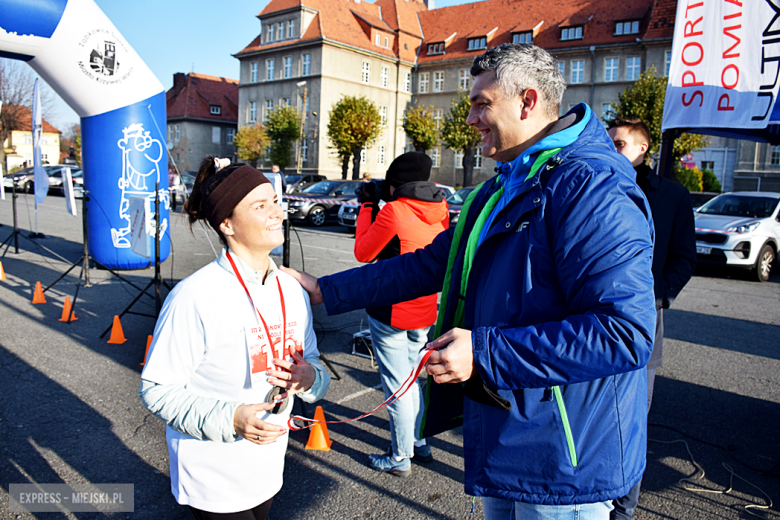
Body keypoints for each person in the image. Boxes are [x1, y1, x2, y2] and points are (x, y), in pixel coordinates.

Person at [281, 43, 655, 520]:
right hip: (506, 436)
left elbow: (625, 333)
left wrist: (484, 352)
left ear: (527, 101)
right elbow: (427, 265)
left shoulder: (591, 188)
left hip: (565, 463)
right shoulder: (501, 187)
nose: (471, 118)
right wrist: (326, 289)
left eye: (483, 103)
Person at [139, 157, 330, 520]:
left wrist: (309, 379)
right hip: (213, 468)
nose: (277, 213)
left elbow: (315, 366)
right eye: (260, 206)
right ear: (227, 223)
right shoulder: (194, 295)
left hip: (269, 463)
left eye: (275, 200)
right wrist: (232, 418)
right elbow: (157, 390)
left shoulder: (292, 289)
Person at [607, 118, 697, 520]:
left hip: (645, 316)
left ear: (642, 149)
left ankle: (623, 507)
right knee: (593, 409)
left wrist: (658, 297)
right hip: (592, 313)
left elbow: (684, 258)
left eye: (620, 143)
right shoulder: (596, 185)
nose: (612, 149)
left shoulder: (672, 196)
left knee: (633, 416)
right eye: (609, 142)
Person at [354, 152, 449, 476]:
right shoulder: (441, 208)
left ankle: (399, 457)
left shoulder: (393, 209)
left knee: (397, 387)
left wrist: (367, 206)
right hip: (424, 308)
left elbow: (364, 252)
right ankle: (419, 442)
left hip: (391, 310)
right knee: (413, 381)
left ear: (396, 185)